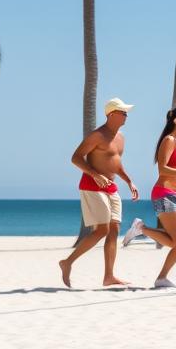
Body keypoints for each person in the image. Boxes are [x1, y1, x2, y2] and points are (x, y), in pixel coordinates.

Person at [59, 98, 139, 288]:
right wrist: (95, 174)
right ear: (111, 114)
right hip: (92, 185)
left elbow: (116, 163)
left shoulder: (121, 138)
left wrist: (129, 181)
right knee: (102, 229)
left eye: (126, 112)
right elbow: (75, 158)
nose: (126, 115)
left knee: (114, 230)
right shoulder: (97, 136)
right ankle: (67, 262)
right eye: (123, 112)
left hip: (111, 186)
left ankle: (109, 276)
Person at [123, 105, 176, 289]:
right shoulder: (169, 140)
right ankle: (141, 228)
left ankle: (161, 278)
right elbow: (163, 169)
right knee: (174, 240)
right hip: (163, 194)